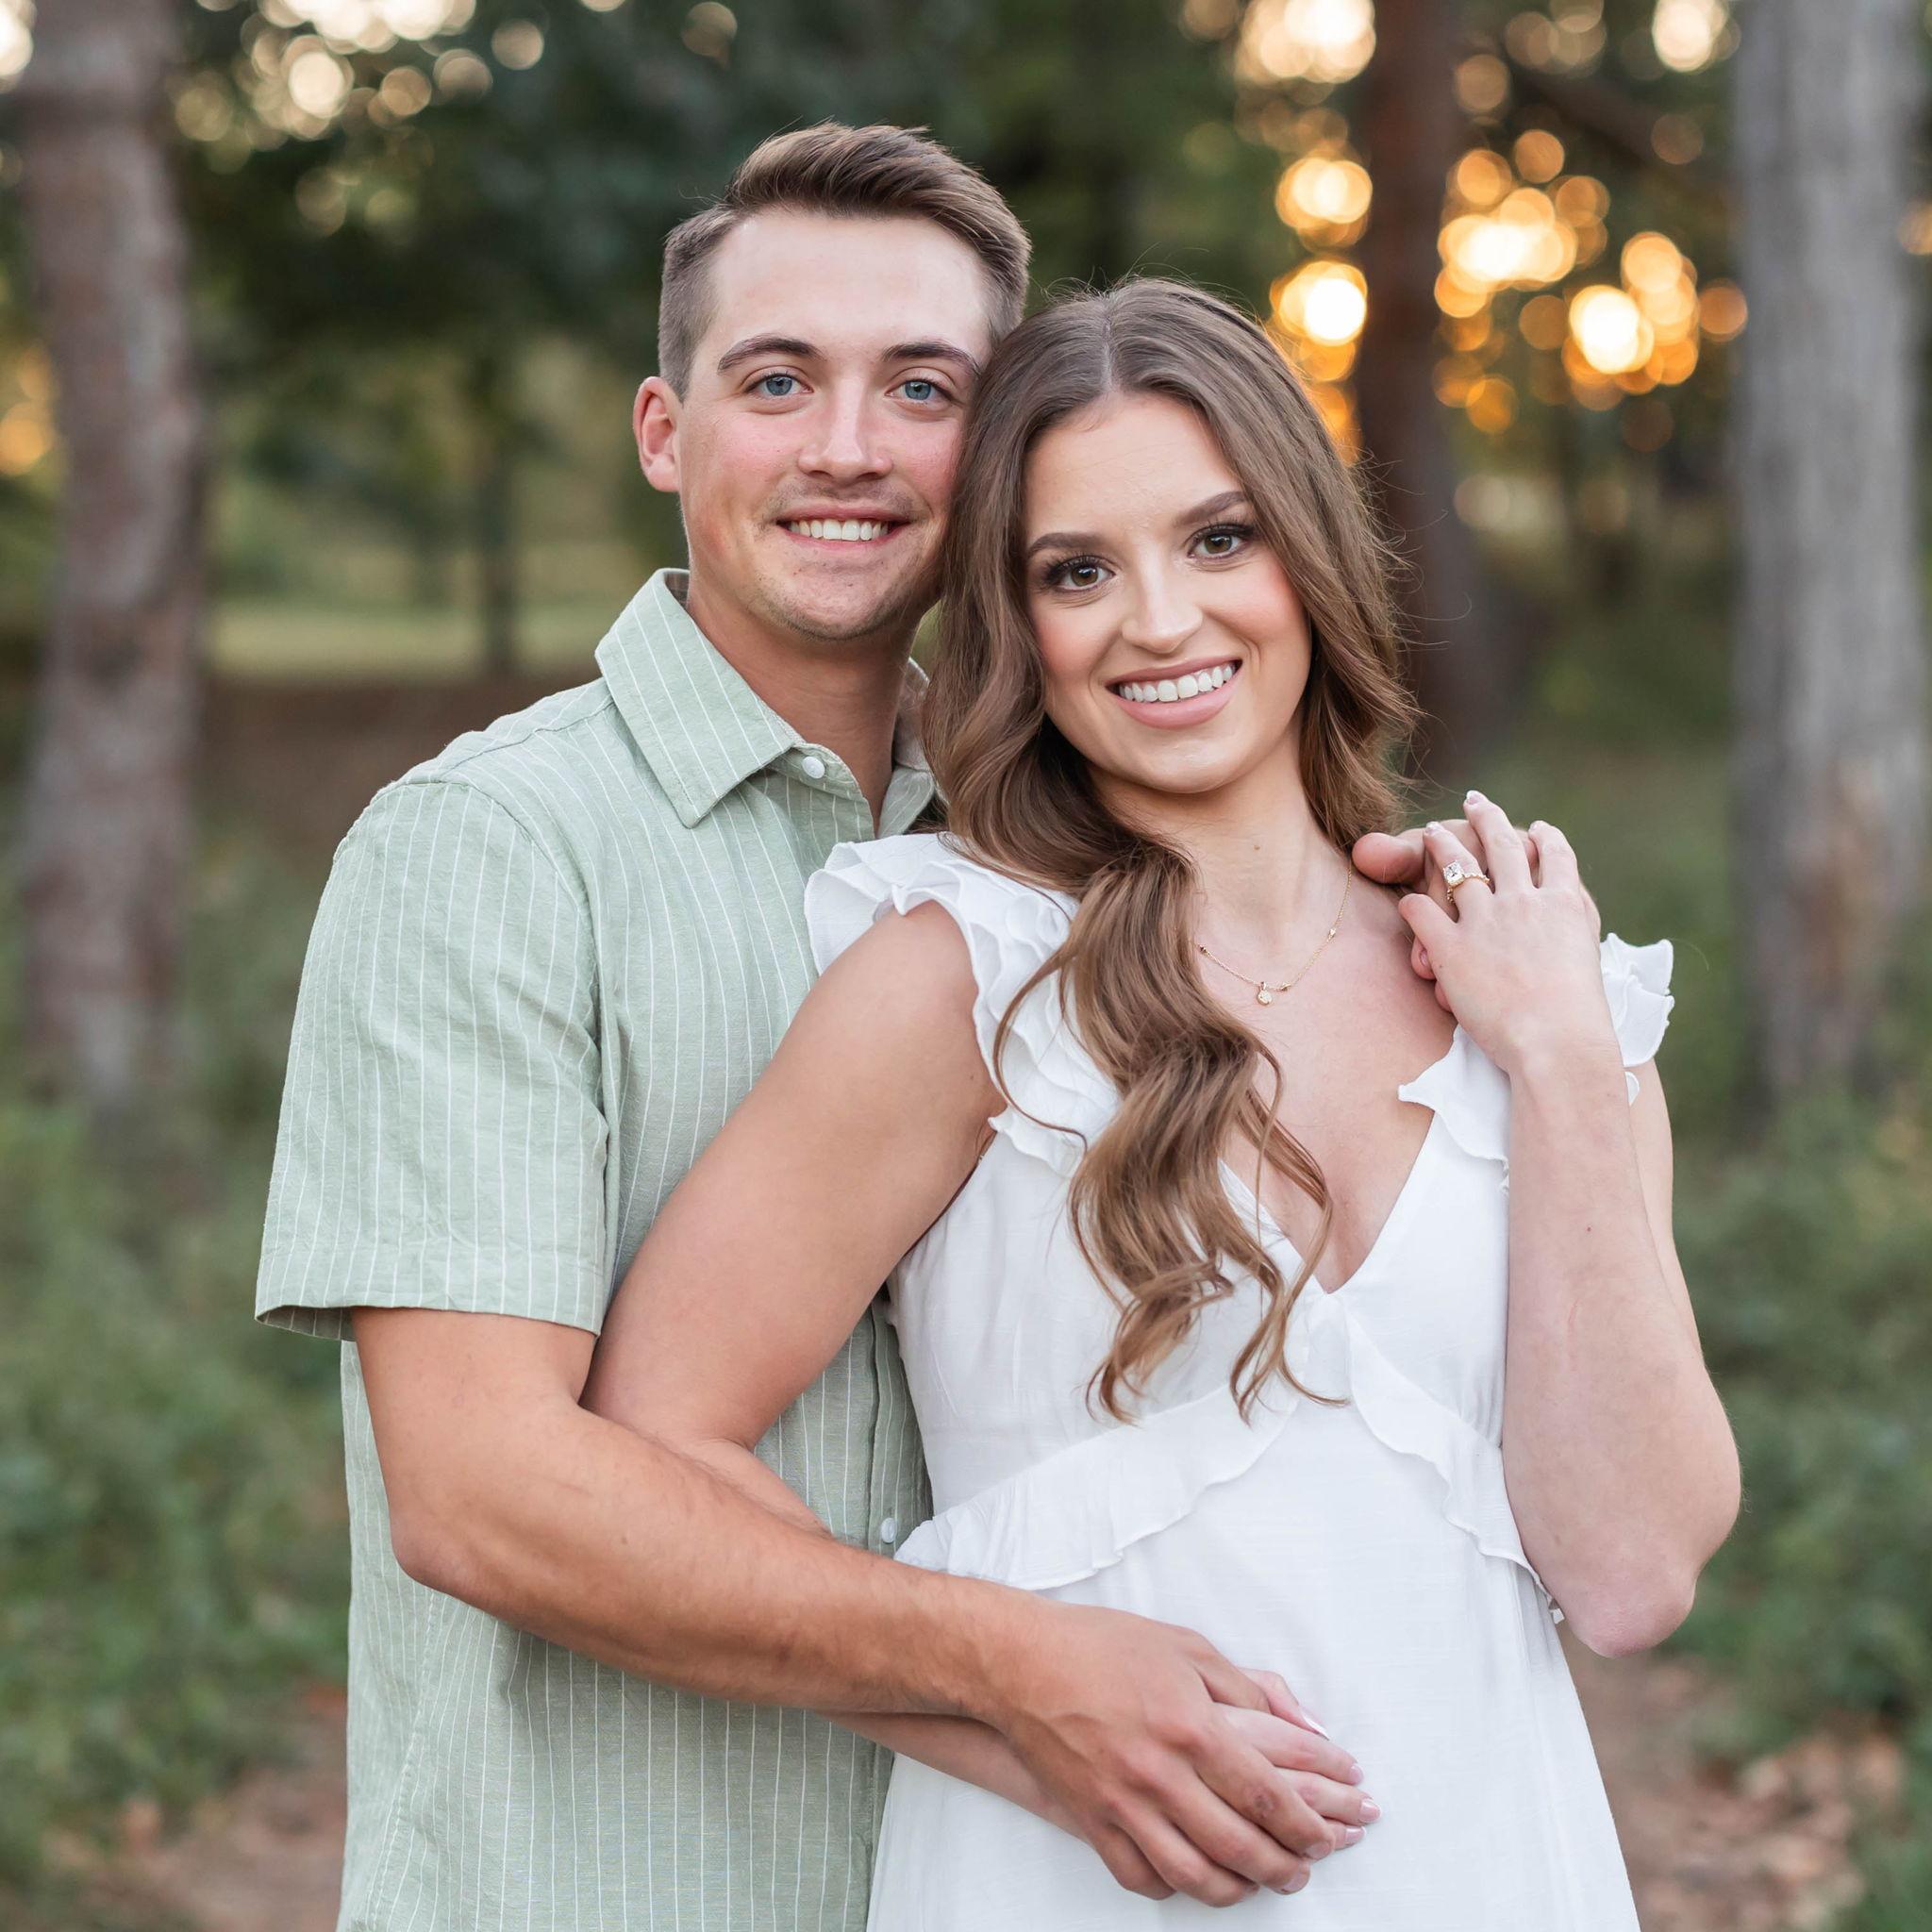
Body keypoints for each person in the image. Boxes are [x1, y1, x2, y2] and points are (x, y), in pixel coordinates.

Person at [257, 123, 1585, 1929]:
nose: (849, 447)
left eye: (923, 387)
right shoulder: (491, 852)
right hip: (621, 1880)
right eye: (775, 381)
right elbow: (482, 1493)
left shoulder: (1066, 859)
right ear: (663, 431)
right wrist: (1016, 1679)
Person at [578, 278, 1742, 1927]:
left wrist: (1559, 1057)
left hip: (1489, 1872)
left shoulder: (1548, 997)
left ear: (1308, 554)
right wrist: (1001, 1705)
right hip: (1064, 1885)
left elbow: (1629, 1576)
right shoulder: (964, 979)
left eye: (1218, 539)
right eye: (1078, 571)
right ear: (1017, 625)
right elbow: (648, 1445)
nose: (1159, 621)